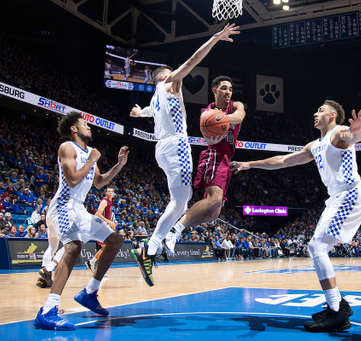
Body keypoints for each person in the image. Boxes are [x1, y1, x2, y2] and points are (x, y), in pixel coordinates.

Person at [231, 100, 361, 332]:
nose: (315, 113)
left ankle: (337, 310)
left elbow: (354, 136)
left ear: (333, 115)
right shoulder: (315, 145)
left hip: (350, 195)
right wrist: (249, 164)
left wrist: (358, 129)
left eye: (321, 110)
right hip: (336, 198)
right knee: (316, 248)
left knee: (317, 248)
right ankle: (336, 306)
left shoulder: (337, 133)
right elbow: (283, 161)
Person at [129, 23, 240, 287]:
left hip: (160, 149)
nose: (176, 73)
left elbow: (148, 112)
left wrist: (138, 113)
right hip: (176, 145)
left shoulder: (156, 97)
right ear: (164, 76)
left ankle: (154, 247)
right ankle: (152, 246)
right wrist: (215, 37)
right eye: (171, 72)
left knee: (180, 200)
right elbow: (194, 59)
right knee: (181, 202)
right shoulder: (169, 83)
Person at [34, 112, 129, 331]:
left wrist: (119, 164)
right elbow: (73, 180)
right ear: (74, 129)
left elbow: (98, 182)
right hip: (64, 206)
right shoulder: (67, 147)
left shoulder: (88, 153)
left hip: (80, 209)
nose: (89, 127)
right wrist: (92, 160)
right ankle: (47, 310)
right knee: (73, 248)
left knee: (115, 240)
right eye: (85, 124)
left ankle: (89, 293)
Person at [162, 75, 246, 256]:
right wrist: (215, 119)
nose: (228, 92)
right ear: (214, 90)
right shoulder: (207, 112)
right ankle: (173, 232)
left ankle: (173, 228)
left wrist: (221, 118)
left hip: (226, 159)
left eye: (230, 89)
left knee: (213, 214)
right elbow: (208, 136)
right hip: (214, 155)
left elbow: (239, 117)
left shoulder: (236, 106)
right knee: (214, 198)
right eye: (224, 88)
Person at [85, 186, 117, 276]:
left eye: (112, 191)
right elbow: (98, 214)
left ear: (114, 193)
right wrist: (109, 222)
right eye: (108, 191)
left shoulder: (110, 202)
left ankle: (93, 263)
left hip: (103, 226)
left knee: (105, 248)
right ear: (105, 193)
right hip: (98, 226)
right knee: (105, 247)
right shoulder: (104, 201)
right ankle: (94, 264)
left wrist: (111, 223)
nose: (110, 193)